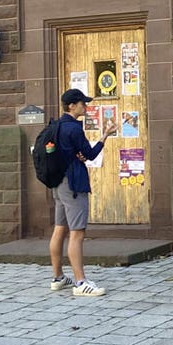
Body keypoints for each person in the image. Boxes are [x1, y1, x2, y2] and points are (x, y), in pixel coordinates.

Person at [49, 88, 117, 297]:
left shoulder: (55, 125)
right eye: (82, 104)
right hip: (73, 185)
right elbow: (89, 154)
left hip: (58, 183)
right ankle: (80, 282)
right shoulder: (73, 129)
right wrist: (105, 135)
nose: (85, 107)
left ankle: (58, 277)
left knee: (60, 228)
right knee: (77, 234)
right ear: (72, 105)